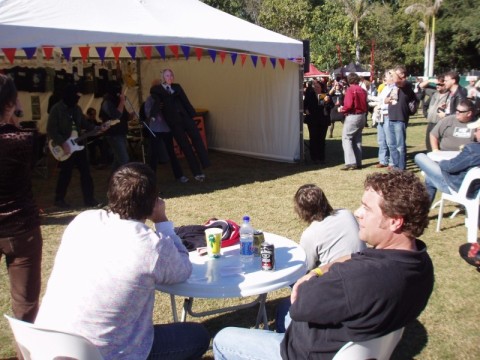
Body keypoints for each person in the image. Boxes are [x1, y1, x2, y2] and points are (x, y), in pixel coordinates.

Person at [213, 171, 434, 360]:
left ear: (395, 221)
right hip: (345, 338)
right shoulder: (420, 263)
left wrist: (310, 277)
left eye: (367, 208)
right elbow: (356, 257)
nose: (358, 212)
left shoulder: (355, 280)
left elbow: (300, 306)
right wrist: (321, 269)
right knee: (285, 312)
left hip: (304, 353)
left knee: (223, 339)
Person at [35, 163, 210, 360]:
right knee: (197, 336)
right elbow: (183, 269)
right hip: (106, 354)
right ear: (153, 202)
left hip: (49, 346)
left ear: (111, 193)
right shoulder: (150, 246)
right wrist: (161, 220)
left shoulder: (83, 220)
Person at [0, 74, 43, 360]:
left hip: (20, 228)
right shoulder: (24, 139)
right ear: (12, 102)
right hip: (21, 229)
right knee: (25, 306)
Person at [47, 84, 102, 208]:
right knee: (65, 173)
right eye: (75, 97)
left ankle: (89, 199)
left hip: (78, 145)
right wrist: (62, 143)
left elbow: (84, 124)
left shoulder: (76, 109)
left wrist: (97, 128)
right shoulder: (56, 109)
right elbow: (51, 129)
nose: (77, 100)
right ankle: (59, 199)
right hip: (65, 147)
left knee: (86, 173)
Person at [150, 69, 210, 182]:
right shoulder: (156, 89)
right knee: (186, 147)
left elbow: (185, 100)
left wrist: (192, 114)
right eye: (167, 75)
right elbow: (157, 102)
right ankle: (197, 173)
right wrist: (153, 115)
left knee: (197, 139)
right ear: (162, 77)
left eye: (171, 75)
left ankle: (205, 163)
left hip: (186, 118)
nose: (170, 77)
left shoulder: (177, 86)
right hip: (174, 122)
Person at [294, 184, 365, 270]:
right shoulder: (346, 213)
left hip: (338, 277)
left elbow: (305, 267)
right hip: (364, 266)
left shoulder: (310, 234)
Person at [414, 117, 480, 204]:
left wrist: (439, 163)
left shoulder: (473, 149)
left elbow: (450, 167)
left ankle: (420, 214)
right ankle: (422, 212)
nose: (474, 133)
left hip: (459, 186)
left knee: (420, 156)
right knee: (429, 178)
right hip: (475, 190)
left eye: (476, 130)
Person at [143, 79, 188, 183]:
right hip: (155, 129)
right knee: (153, 155)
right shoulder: (150, 99)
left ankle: (179, 175)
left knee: (171, 153)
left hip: (167, 128)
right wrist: (156, 108)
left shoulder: (168, 98)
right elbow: (148, 114)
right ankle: (151, 178)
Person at [384, 65, 417, 170]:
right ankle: (395, 166)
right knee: (392, 145)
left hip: (400, 118)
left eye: (395, 74)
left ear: (402, 75)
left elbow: (398, 81)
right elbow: (385, 100)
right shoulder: (394, 87)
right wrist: (388, 99)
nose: (392, 76)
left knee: (400, 146)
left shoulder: (406, 84)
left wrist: (393, 73)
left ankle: (401, 168)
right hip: (391, 117)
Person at [99, 80, 130, 172]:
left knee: (118, 159)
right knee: (124, 159)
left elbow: (125, 115)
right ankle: (125, 182)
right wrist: (122, 101)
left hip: (121, 132)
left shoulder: (117, 101)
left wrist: (132, 115)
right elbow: (116, 115)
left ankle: (112, 180)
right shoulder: (107, 102)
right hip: (113, 134)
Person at [339, 72, 367, 170]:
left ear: (348, 80)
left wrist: (342, 109)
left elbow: (348, 105)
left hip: (353, 115)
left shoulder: (350, 90)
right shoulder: (363, 90)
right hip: (362, 116)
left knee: (347, 138)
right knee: (357, 139)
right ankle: (358, 162)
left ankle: (350, 162)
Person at [303, 80, 332, 164]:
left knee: (321, 139)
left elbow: (330, 106)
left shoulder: (325, 95)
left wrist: (328, 101)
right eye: (315, 87)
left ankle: (321, 157)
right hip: (312, 120)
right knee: (313, 138)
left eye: (318, 87)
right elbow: (304, 105)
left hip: (323, 120)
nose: (316, 88)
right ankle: (314, 157)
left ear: (321, 87)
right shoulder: (310, 95)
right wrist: (306, 110)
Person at [421, 75, 449, 151]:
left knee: (438, 145)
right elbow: (421, 86)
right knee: (428, 144)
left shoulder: (449, 96)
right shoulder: (434, 94)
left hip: (440, 124)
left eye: (440, 84)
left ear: (445, 85)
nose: (438, 86)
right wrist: (426, 114)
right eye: (437, 84)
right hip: (431, 123)